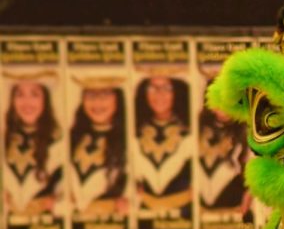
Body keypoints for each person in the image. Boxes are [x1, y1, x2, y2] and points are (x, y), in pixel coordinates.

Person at [3, 79, 63, 216]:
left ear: (45, 100)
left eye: (34, 95)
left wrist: (57, 202)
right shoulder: (4, 137)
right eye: (20, 95)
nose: (26, 102)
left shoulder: (59, 141)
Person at [134, 75, 192, 213]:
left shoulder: (190, 131)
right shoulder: (134, 132)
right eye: (152, 88)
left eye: (167, 88)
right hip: (145, 212)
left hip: (185, 211)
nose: (159, 94)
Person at [69, 80, 128, 215]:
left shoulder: (129, 140)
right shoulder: (72, 137)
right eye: (90, 95)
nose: (97, 102)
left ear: (118, 98)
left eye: (105, 94)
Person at [197, 81, 253, 223]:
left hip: (234, 202)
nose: (222, 107)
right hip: (201, 205)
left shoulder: (247, 129)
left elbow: (252, 164)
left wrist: (249, 193)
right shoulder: (198, 125)